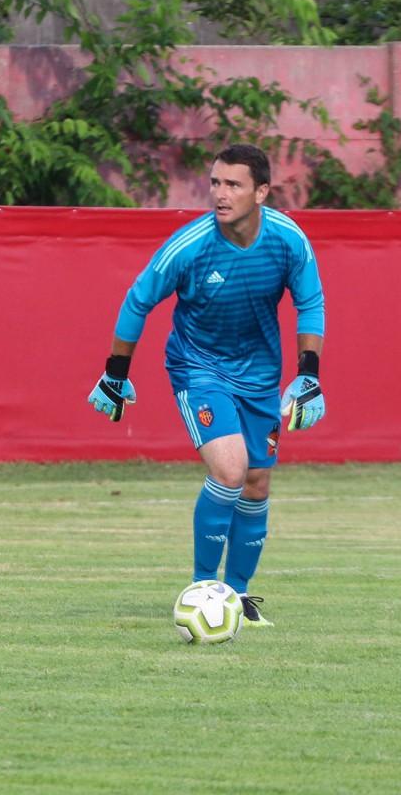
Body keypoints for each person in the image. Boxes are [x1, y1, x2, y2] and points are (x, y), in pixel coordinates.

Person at [87, 143, 326, 628]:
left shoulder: (288, 239)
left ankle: (238, 595)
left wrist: (309, 374)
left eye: (233, 184)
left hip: (260, 377)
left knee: (256, 483)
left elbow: (311, 303)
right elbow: (137, 301)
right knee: (231, 470)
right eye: (215, 182)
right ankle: (202, 589)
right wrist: (115, 372)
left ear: (261, 192)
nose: (220, 193)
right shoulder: (190, 245)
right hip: (199, 369)